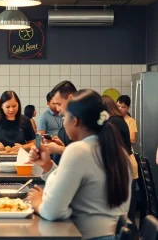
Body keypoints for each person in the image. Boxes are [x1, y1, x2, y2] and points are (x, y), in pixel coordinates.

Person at [27, 90, 131, 240]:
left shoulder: (78, 150)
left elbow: (53, 212)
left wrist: (38, 202)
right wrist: (48, 165)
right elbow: (86, 191)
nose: (63, 121)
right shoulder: (117, 150)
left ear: (74, 120)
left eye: (64, 116)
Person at [102, 95, 138, 225]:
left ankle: (131, 233)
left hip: (125, 163)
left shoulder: (114, 121)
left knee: (127, 209)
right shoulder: (113, 119)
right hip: (123, 163)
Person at [45, 81, 77, 164]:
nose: (57, 109)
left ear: (70, 98)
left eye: (59, 104)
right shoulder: (66, 125)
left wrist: (59, 149)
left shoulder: (84, 123)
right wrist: (61, 146)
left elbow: (87, 155)